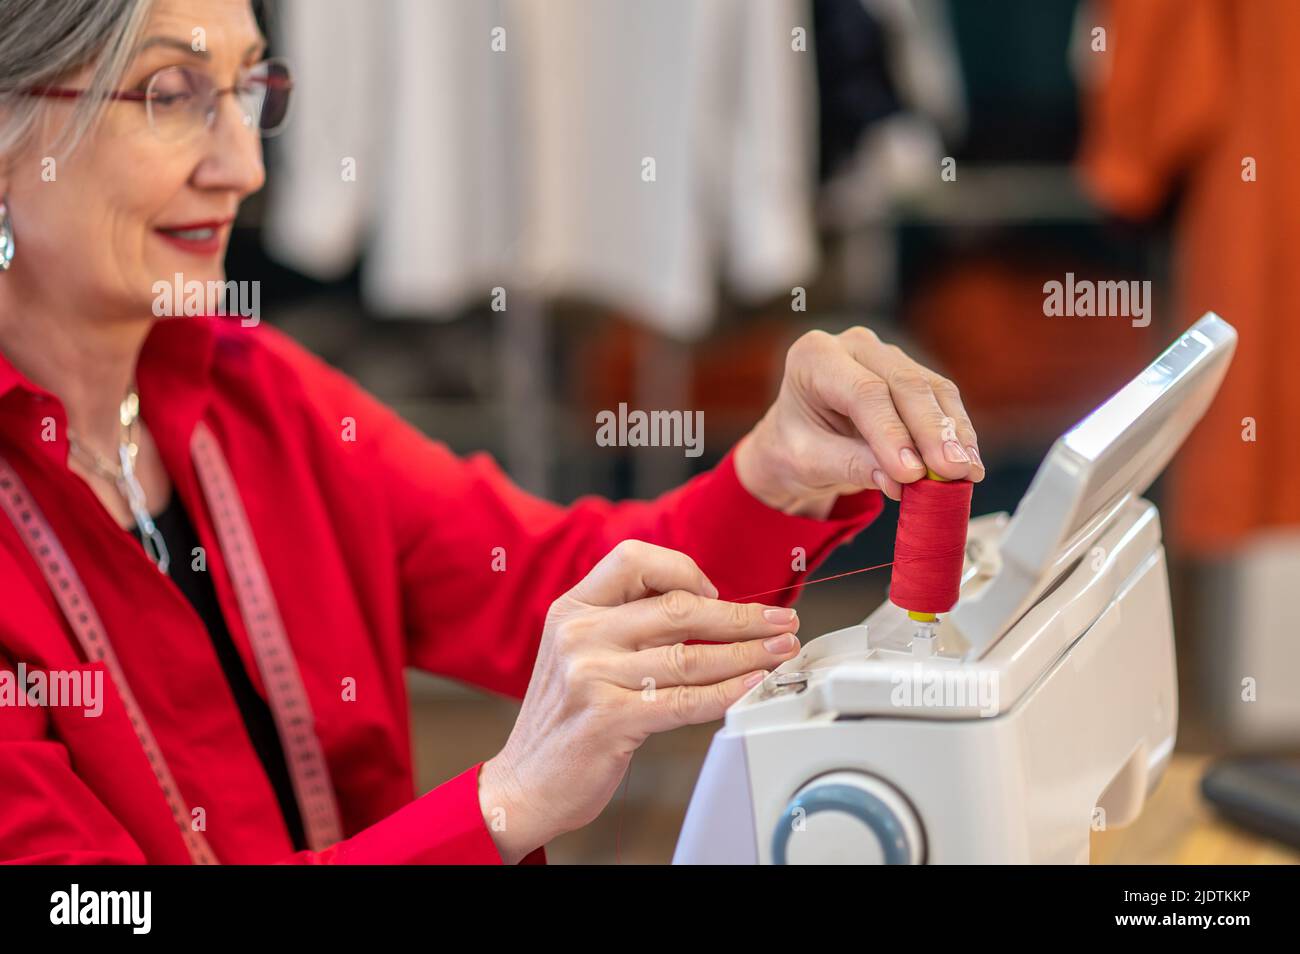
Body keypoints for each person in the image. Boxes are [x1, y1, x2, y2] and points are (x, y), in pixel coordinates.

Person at [0, 0, 983, 864]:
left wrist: (779, 467)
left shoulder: (255, 397)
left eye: (252, 88)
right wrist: (502, 805)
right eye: (172, 95)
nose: (244, 166)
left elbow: (548, 589)